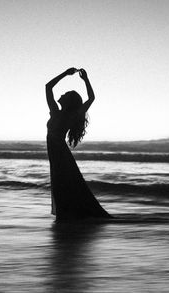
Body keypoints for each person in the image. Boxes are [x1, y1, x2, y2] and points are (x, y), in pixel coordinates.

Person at [46, 67, 111, 221]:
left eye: (65, 94)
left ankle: (67, 217)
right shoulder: (55, 111)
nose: (61, 94)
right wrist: (65, 73)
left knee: (62, 184)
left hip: (60, 154)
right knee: (61, 184)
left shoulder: (71, 115)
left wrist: (85, 80)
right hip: (56, 153)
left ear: (69, 101)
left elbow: (91, 98)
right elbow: (48, 87)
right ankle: (66, 217)